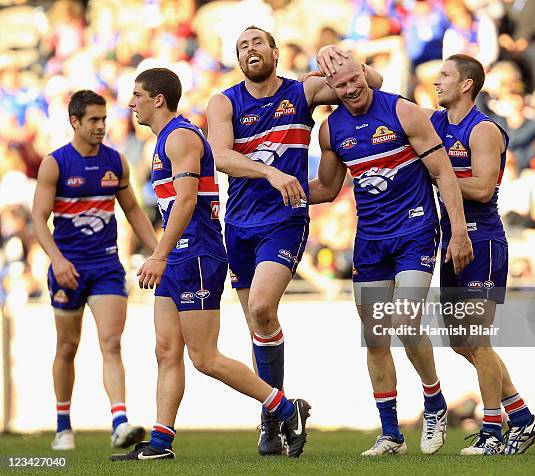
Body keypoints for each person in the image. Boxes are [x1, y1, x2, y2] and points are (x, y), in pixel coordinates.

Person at [111, 68, 310, 461]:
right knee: (166, 350)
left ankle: (286, 409)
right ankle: (161, 443)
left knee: (204, 357)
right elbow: (176, 205)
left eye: (137, 95)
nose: (130, 103)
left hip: (197, 254)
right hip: (180, 255)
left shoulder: (181, 137)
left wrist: (161, 254)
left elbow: (187, 202)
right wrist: (164, 253)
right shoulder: (164, 141)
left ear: (158, 99)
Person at [206, 26, 383, 456]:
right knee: (257, 324)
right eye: (242, 44)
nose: (250, 49)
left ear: (274, 52)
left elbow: (373, 84)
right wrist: (271, 172)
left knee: (262, 307)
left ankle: (274, 415)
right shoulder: (224, 101)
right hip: (240, 223)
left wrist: (339, 58)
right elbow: (220, 155)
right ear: (237, 57)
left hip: (284, 219)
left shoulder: (302, 92)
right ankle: (279, 412)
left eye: (257, 42)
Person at [309, 54, 473, 456]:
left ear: (365, 75)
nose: (351, 90)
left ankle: (433, 401)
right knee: (375, 336)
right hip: (371, 239)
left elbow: (443, 173)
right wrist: (276, 189)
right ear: (333, 88)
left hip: (415, 231)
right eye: (342, 86)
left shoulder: (403, 111)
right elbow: (327, 189)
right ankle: (391, 434)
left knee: (404, 317)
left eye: (356, 81)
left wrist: (457, 231)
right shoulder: (331, 130)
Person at [427, 54, 535, 455]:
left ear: (466, 85)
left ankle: (493, 432)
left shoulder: (484, 130)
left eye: (444, 75)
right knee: (461, 343)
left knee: (477, 339)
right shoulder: (435, 123)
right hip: (451, 240)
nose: (435, 80)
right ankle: (524, 418)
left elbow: (481, 189)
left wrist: (440, 173)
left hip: (483, 241)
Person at [31, 90, 158, 450]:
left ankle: (119, 422)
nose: (102, 126)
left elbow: (133, 210)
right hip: (67, 267)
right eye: (94, 120)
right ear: (75, 122)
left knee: (112, 343)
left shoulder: (116, 162)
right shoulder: (54, 164)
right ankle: (63, 427)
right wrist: (57, 259)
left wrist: (159, 250)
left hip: (105, 265)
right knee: (67, 347)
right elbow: (38, 220)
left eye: (104, 119)